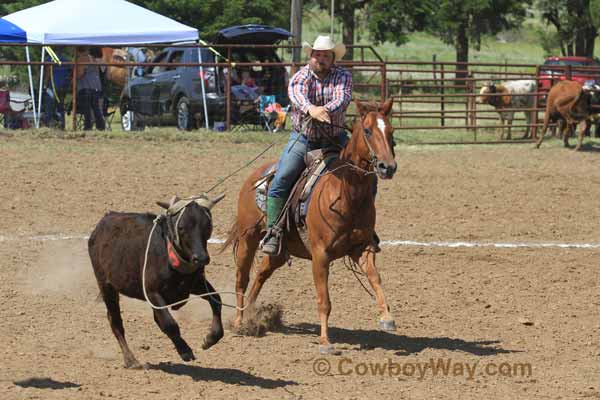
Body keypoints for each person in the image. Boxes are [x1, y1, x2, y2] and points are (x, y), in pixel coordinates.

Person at [261, 35, 352, 255]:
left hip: (335, 137)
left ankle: (363, 225)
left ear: (333, 59)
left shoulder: (343, 76)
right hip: (305, 138)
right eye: (317, 55)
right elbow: (296, 95)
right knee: (282, 177)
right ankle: (273, 230)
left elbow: (343, 97)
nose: (320, 59)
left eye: (325, 56)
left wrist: (325, 109)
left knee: (364, 171)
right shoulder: (301, 76)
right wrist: (311, 109)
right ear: (310, 56)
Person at [76, 46, 105, 131]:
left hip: (86, 86)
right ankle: (101, 126)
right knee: (96, 108)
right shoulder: (93, 59)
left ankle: (88, 127)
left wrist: (74, 77)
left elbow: (80, 73)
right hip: (95, 87)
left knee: (87, 109)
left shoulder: (82, 59)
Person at [43, 49, 71, 129]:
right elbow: (70, 73)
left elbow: (48, 71)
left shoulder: (49, 59)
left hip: (52, 86)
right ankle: (61, 125)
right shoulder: (66, 60)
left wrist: (45, 84)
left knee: (49, 105)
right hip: (62, 86)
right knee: (60, 106)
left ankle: (49, 124)